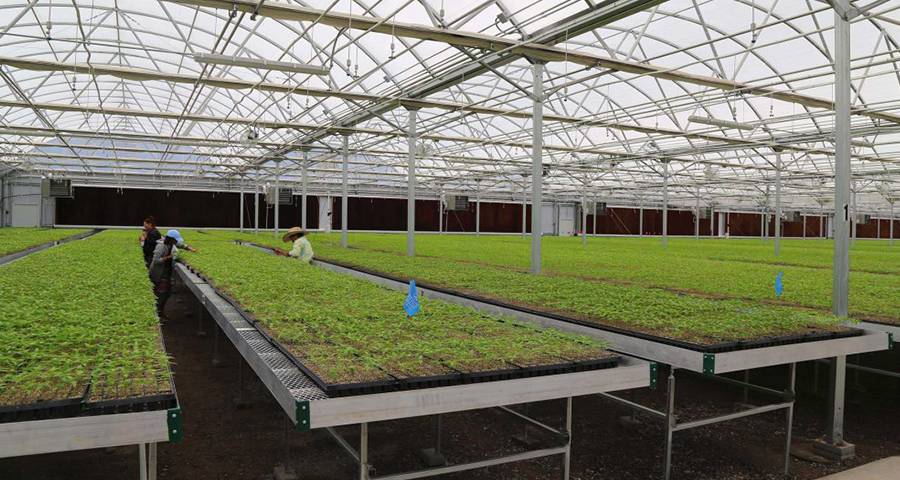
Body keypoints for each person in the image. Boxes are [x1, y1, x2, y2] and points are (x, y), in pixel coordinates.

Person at [149, 233, 178, 319]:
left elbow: (181, 245)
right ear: (171, 239)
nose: (176, 242)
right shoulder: (161, 246)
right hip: (159, 273)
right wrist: (169, 257)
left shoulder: (170, 245)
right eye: (175, 240)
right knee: (162, 293)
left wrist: (190, 248)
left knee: (167, 292)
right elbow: (156, 260)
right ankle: (157, 314)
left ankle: (160, 312)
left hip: (166, 272)